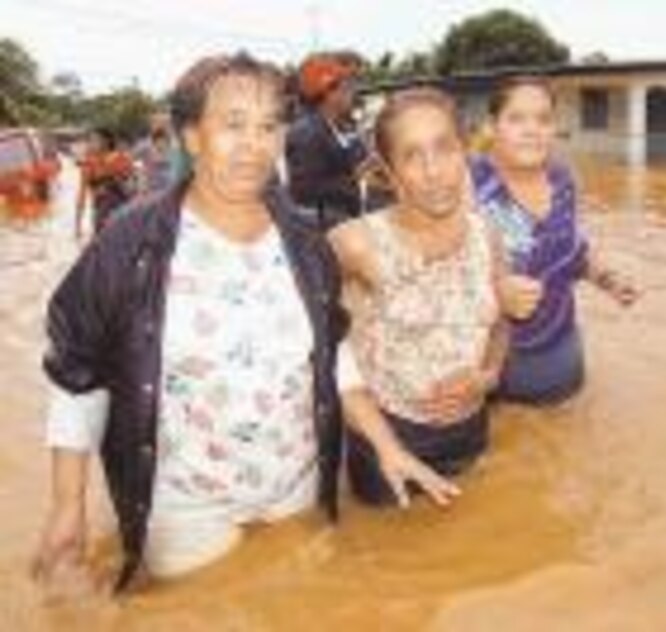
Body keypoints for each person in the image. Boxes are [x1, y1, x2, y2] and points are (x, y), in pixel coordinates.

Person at [31, 53, 451, 593]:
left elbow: (334, 354)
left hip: (295, 486)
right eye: (233, 125)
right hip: (185, 503)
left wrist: (388, 446)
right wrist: (68, 506)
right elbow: (77, 375)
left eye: (269, 126)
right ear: (191, 136)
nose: (253, 144)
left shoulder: (304, 242)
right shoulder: (127, 242)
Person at [329, 88, 509, 507]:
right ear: (389, 173)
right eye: (412, 156)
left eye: (444, 148)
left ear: (465, 151)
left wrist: (488, 377)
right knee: (389, 561)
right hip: (387, 442)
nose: (434, 171)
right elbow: (319, 345)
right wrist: (384, 444)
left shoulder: (487, 236)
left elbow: (500, 324)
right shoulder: (355, 243)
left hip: (471, 430)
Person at [470, 76, 638, 405]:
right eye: (517, 118)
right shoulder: (467, 183)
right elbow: (426, 273)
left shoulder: (563, 180)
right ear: (493, 126)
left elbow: (570, 251)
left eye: (543, 119)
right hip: (487, 371)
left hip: (560, 361)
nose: (532, 129)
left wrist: (608, 280)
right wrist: (492, 292)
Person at [285, 55, 369, 230]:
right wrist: (356, 176)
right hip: (326, 234)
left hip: (346, 224)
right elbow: (304, 191)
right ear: (329, 93)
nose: (353, 94)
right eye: (347, 88)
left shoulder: (339, 125)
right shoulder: (307, 133)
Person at [74, 127, 136, 239]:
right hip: (100, 214)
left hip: (121, 212)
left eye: (95, 140)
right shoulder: (88, 165)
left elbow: (133, 187)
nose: (91, 144)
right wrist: (78, 225)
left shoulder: (121, 159)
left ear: (106, 142)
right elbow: (81, 195)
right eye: (90, 140)